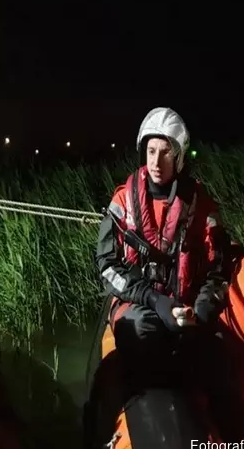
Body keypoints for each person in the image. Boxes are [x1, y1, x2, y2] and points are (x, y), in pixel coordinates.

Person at [93, 107, 235, 425]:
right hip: (139, 302)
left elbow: (218, 268)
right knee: (144, 331)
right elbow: (106, 264)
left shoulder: (200, 204)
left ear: (179, 157)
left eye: (165, 153)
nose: (156, 162)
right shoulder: (123, 202)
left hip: (184, 307)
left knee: (217, 352)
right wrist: (154, 300)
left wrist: (200, 312)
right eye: (151, 151)